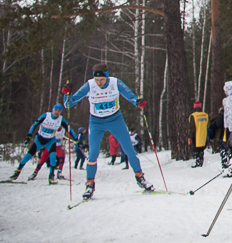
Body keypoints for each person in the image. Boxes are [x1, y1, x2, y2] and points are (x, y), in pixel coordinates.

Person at [62, 63, 154, 199]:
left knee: (129, 150)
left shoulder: (115, 83)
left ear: (107, 77)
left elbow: (130, 95)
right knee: (93, 154)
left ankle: (140, 177)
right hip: (96, 122)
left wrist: (137, 102)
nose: (99, 83)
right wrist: (66, 93)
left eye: (102, 80)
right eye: (96, 80)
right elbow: (69, 104)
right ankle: (89, 184)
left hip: (115, 120)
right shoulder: (89, 85)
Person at [11, 105, 76, 184]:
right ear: (53, 110)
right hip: (39, 140)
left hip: (50, 141)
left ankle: (51, 176)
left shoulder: (60, 119)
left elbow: (69, 129)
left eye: (59, 111)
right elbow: (34, 125)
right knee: (28, 156)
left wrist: (77, 140)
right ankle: (17, 172)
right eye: (56, 110)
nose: (57, 112)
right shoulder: (46, 116)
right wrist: (29, 136)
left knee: (53, 158)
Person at [189, 101, 209, 168]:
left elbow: (192, 128)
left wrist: (190, 137)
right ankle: (200, 162)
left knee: (196, 150)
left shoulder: (193, 116)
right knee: (201, 151)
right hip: (204, 136)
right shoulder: (205, 115)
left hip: (196, 136)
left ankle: (198, 163)